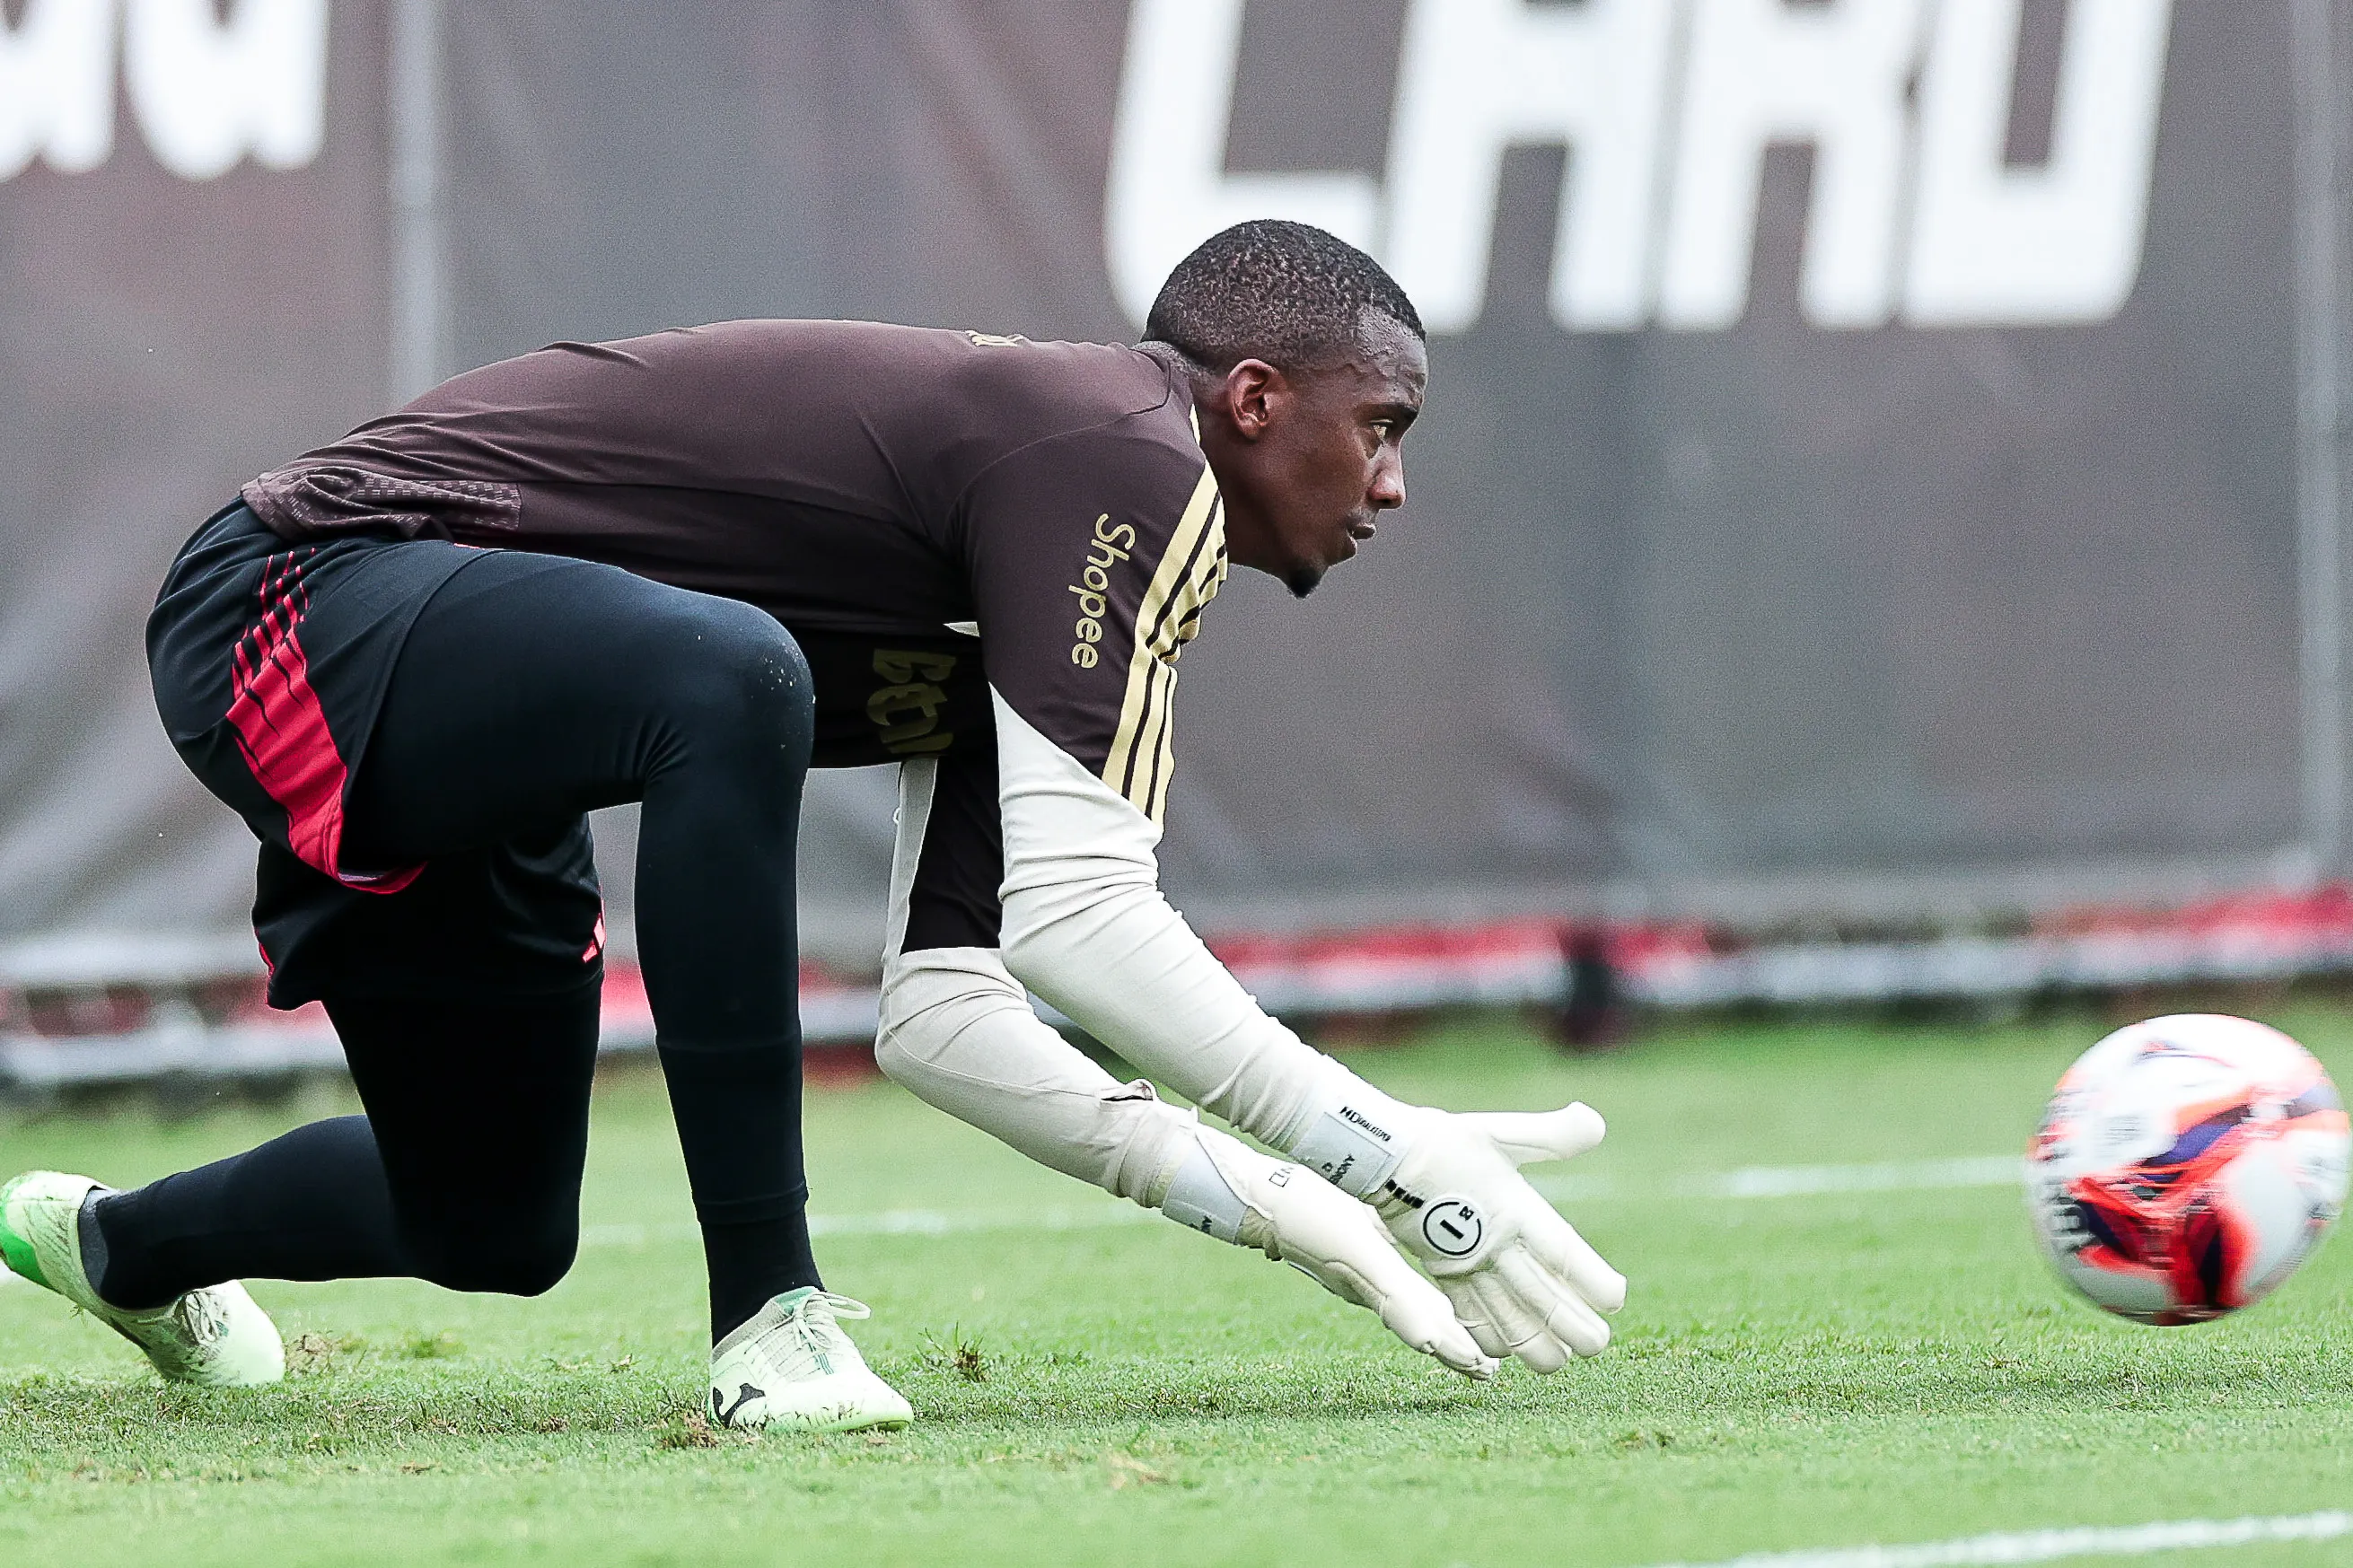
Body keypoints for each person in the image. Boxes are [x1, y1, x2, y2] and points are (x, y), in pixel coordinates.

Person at [1, 220, 1623, 1429]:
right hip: (293, 606)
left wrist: (1287, 1204)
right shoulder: (1129, 456)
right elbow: (1089, 925)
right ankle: (768, 1318)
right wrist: (1394, 1154)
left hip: (478, 706)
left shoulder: (1089, 591)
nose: (1392, 484)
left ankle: (113, 1245)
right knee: (736, 674)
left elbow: (952, 1015)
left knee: (489, 1217)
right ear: (1255, 397)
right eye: (1384, 424)